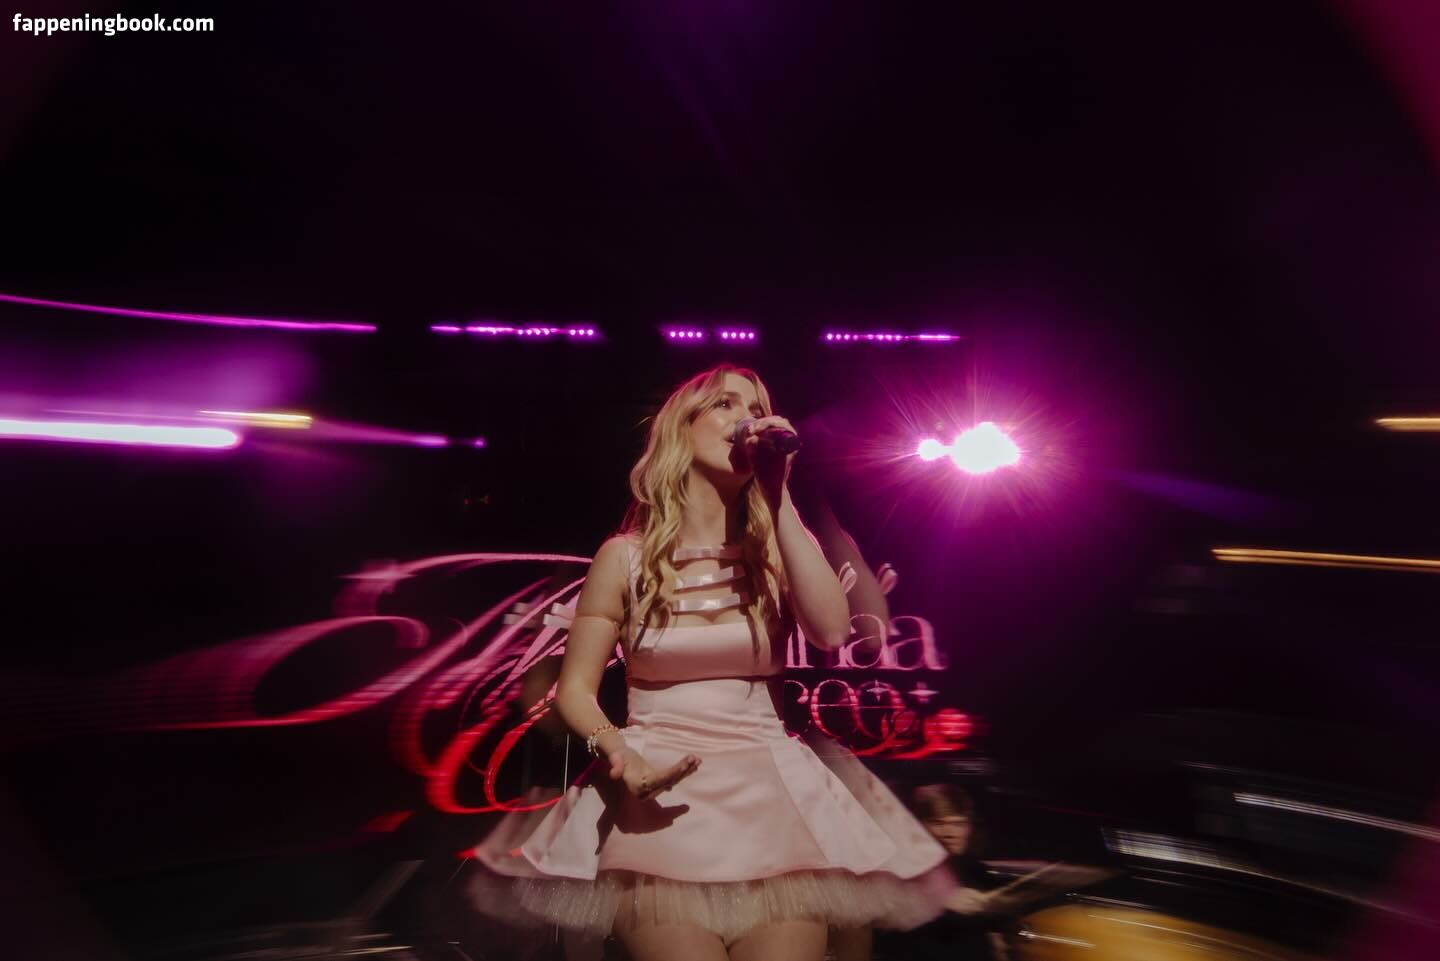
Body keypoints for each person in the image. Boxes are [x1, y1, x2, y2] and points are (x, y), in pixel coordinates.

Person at [471, 364, 954, 961]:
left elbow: (832, 632)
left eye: (755, 407)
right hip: (658, 797)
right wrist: (619, 753)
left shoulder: (775, 550)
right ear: (682, 427)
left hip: (770, 799)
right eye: (726, 404)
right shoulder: (623, 558)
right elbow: (574, 691)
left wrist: (778, 497)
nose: (746, 419)